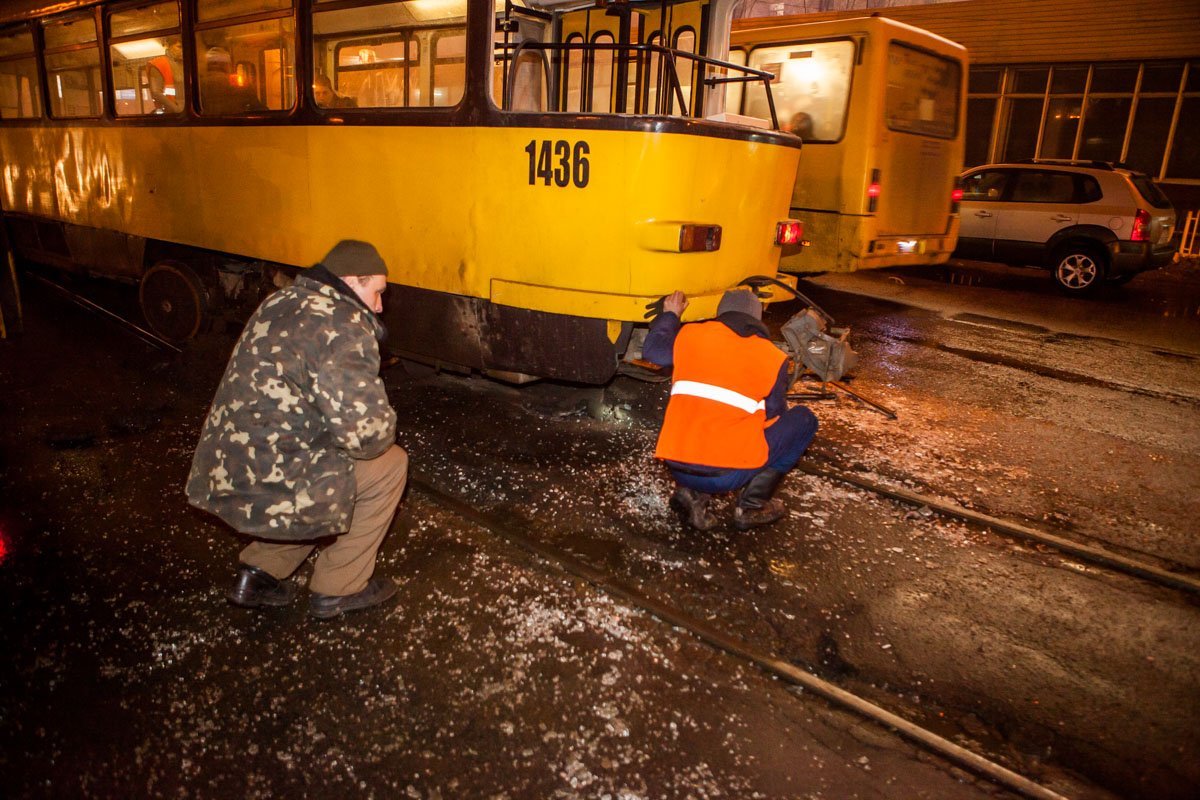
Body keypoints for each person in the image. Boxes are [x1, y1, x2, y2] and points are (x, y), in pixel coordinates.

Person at [186, 240, 407, 619]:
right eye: (377, 293)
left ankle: (258, 572)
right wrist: (388, 422)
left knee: (316, 463)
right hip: (275, 477)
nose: (380, 306)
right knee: (388, 466)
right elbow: (366, 436)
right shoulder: (344, 325)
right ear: (354, 282)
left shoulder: (280, 302)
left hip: (228, 469)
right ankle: (339, 588)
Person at [644, 288, 818, 531]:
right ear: (758, 318)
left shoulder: (691, 335)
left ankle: (692, 493)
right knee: (804, 420)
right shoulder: (771, 357)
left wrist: (671, 315)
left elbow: (652, 351)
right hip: (727, 475)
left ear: (720, 313)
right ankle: (751, 506)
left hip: (676, 465)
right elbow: (775, 415)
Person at [198, 46, 265, 115]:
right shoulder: (239, 83)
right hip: (234, 124)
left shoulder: (198, 84)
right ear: (225, 64)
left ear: (208, 65)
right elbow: (259, 108)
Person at [148, 39, 185, 113]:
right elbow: (156, 93)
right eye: (179, 47)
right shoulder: (159, 64)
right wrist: (176, 109)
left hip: (189, 108)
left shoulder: (186, 64)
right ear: (169, 46)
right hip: (173, 111)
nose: (182, 50)